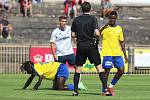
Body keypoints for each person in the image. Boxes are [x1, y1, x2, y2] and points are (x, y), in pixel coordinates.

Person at [71, 2, 111, 96]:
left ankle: (75, 91)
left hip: (81, 45)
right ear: (90, 9)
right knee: (99, 68)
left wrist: (78, 39)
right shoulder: (93, 19)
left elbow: (72, 34)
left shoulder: (76, 20)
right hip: (91, 45)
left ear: (81, 9)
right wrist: (97, 39)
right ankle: (105, 90)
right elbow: (97, 33)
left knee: (78, 69)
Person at [99, 11, 128, 96]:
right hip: (108, 53)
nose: (112, 20)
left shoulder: (119, 28)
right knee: (107, 72)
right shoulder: (105, 28)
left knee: (121, 71)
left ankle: (110, 86)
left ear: (116, 19)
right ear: (108, 18)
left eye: (114, 18)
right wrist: (105, 25)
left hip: (118, 54)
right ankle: (104, 90)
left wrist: (125, 55)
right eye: (111, 18)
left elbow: (122, 42)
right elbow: (98, 33)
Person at [21, 61, 86, 90]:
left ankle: (77, 86)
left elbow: (40, 78)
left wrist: (35, 87)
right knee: (55, 88)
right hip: (57, 71)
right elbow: (30, 79)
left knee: (60, 87)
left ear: (29, 68)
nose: (26, 71)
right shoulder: (34, 68)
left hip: (60, 68)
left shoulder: (36, 68)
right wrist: (24, 87)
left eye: (26, 70)